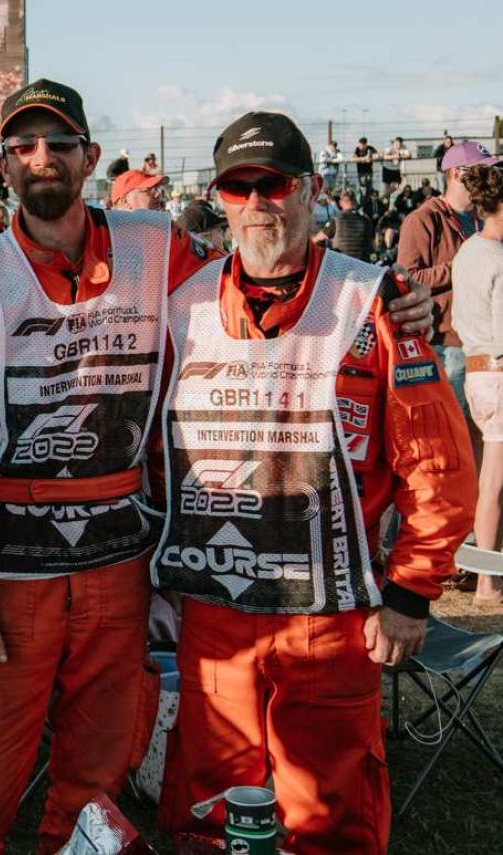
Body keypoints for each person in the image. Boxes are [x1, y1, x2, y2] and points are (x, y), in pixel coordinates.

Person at [154, 111, 471, 854]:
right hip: (215, 612)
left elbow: (437, 467)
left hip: (333, 617)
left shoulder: (376, 302)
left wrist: (410, 593)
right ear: (221, 197)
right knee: (212, 811)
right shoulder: (181, 305)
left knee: (329, 819)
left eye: (276, 184)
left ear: (312, 190)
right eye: (240, 186)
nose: (258, 202)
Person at [0, 78, 217, 853]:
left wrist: (390, 303)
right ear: (3, 167)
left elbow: (240, 284)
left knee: (95, 786)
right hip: (11, 575)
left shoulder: (157, 245)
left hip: (119, 565)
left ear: (90, 157)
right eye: (23, 146)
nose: (42, 158)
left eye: (59, 143)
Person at [398, 140, 498, 440]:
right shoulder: (423, 220)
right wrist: (462, 266)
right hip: (447, 343)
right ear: (456, 174)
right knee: (454, 434)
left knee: (485, 435)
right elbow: (407, 277)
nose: (490, 178)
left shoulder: (483, 218)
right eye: (482, 170)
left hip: (481, 344)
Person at [451, 164, 503, 602]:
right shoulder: (499, 257)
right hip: (499, 374)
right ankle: (487, 580)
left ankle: (485, 572)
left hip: (476, 371)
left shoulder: (468, 250)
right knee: (494, 483)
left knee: (489, 479)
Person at [321, 189, 375, 260]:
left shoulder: (337, 219)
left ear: (340, 203)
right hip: (362, 263)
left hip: (342, 263)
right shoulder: (366, 219)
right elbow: (373, 242)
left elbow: (319, 237)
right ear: (355, 202)